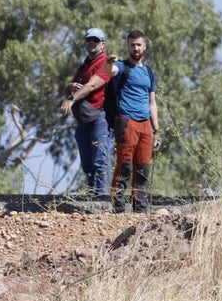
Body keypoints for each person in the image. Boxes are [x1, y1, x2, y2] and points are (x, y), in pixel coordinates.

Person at [59, 27, 113, 198]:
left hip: (99, 117)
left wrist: (71, 99)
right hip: (83, 120)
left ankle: (103, 198)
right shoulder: (84, 65)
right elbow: (72, 88)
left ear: (102, 44)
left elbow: (92, 85)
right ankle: (92, 195)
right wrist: (70, 87)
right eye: (89, 40)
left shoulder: (107, 63)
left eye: (96, 40)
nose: (91, 43)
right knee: (87, 163)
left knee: (100, 161)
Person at [109, 30, 160, 213]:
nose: (135, 48)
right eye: (132, 45)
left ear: (144, 47)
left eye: (138, 45)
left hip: (145, 124)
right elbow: (111, 71)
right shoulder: (123, 67)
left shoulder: (148, 72)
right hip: (127, 121)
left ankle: (140, 206)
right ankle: (119, 206)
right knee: (125, 164)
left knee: (143, 167)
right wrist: (109, 63)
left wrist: (157, 129)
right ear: (128, 46)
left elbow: (152, 103)